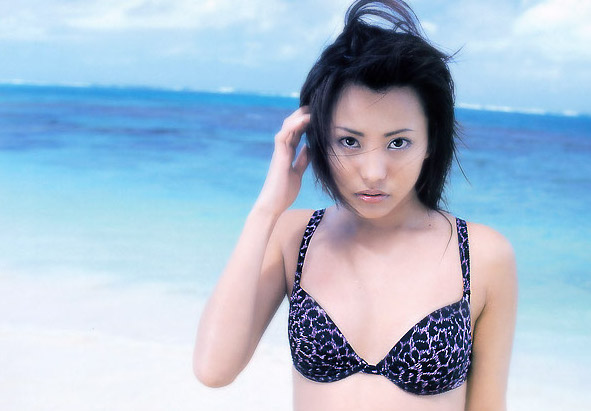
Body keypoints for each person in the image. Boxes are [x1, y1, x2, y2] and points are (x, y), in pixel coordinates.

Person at [193, 0, 517, 409]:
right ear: (319, 138)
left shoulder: (483, 254)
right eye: (350, 141)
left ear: (431, 141)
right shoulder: (294, 237)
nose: (374, 172)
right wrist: (266, 210)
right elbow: (214, 369)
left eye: (398, 142)